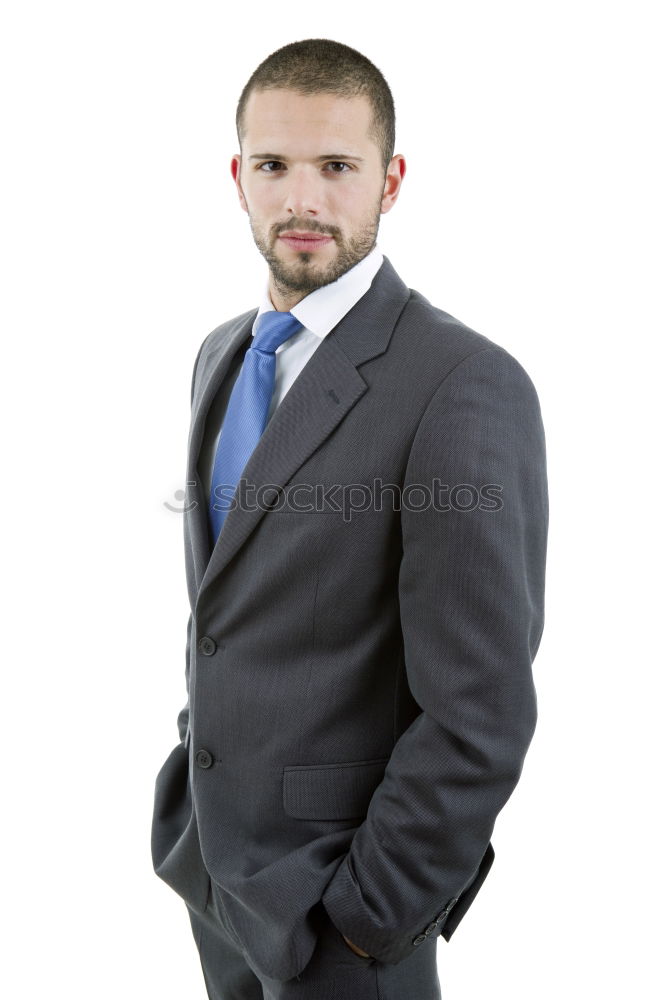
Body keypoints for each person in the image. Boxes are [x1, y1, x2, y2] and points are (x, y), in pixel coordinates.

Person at [151, 37, 549, 1000]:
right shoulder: (221, 356)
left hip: (344, 915)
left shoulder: (463, 384)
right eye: (273, 166)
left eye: (338, 167)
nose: (303, 201)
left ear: (391, 179)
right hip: (217, 882)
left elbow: (480, 710)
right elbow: (231, 607)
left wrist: (369, 921)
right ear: (237, 178)